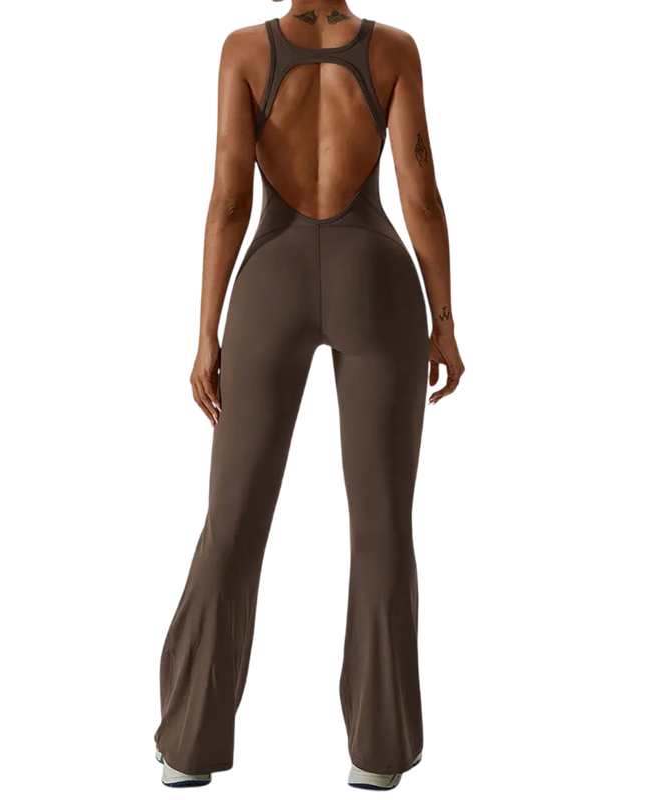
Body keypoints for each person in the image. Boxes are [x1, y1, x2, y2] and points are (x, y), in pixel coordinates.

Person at [154, 0, 465, 790]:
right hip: (377, 281)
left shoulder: (243, 51)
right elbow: (420, 191)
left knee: (233, 521)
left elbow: (229, 198)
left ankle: (188, 748)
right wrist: (445, 320)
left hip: (273, 282)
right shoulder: (394, 50)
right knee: (383, 523)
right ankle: (379, 755)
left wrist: (206, 334)